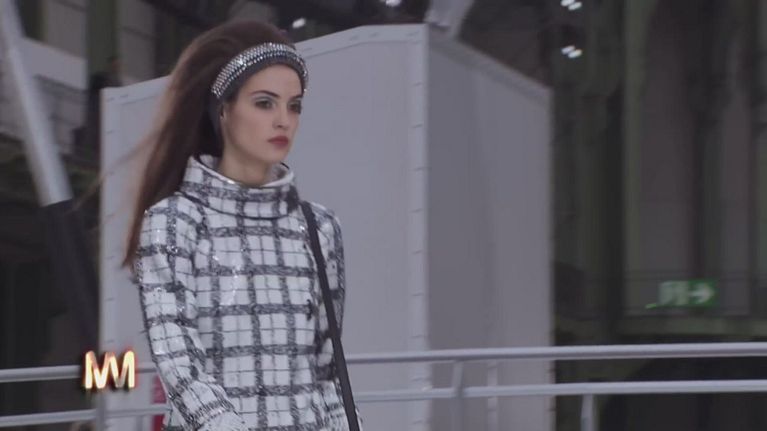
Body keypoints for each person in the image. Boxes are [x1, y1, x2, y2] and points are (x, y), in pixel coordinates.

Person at [122, 20, 361, 430]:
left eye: (294, 106)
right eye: (265, 103)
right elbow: (179, 364)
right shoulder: (172, 223)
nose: (283, 120)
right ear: (223, 111)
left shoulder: (318, 228)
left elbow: (327, 374)